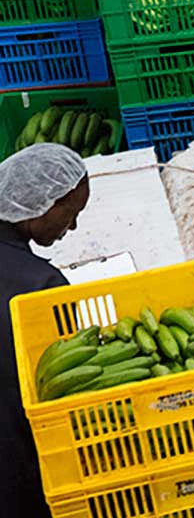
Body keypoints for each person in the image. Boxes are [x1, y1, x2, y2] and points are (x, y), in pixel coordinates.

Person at [0, 144, 89, 518]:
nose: (73, 226)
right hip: (14, 458)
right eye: (71, 214)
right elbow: (63, 384)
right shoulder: (42, 287)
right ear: (43, 207)